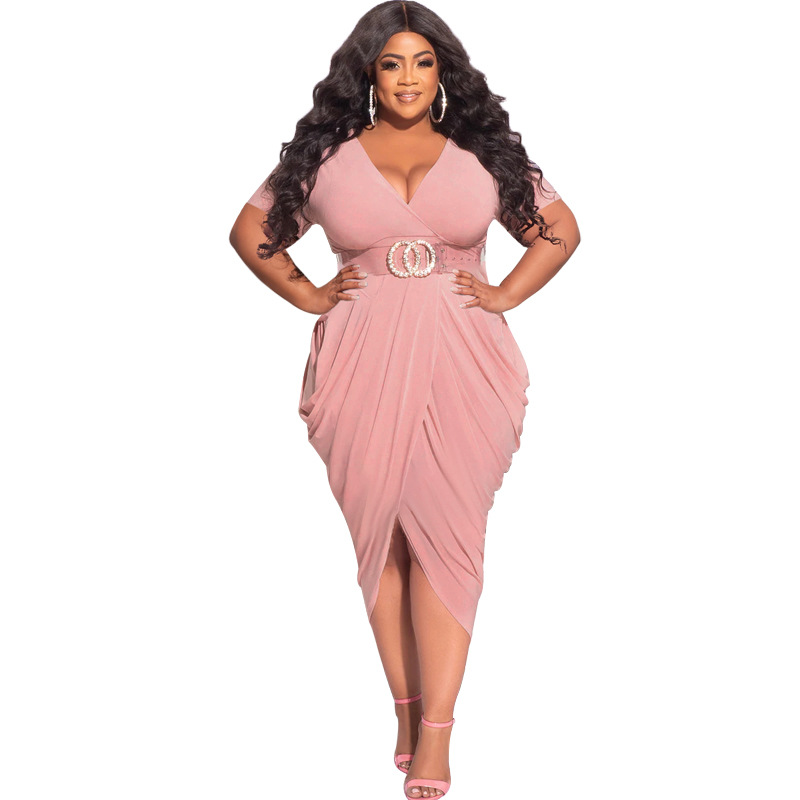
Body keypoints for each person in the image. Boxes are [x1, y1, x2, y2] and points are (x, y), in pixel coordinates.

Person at [229, 2, 581, 796]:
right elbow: (250, 229)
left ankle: (438, 736)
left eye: (423, 62)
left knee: (447, 544)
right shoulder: (326, 156)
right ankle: (406, 706)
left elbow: (560, 227)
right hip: (361, 365)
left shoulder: (482, 151)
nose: (409, 78)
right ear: (369, 73)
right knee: (382, 546)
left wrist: (505, 295)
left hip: (465, 365)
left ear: (443, 70)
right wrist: (310, 295)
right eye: (392, 64)